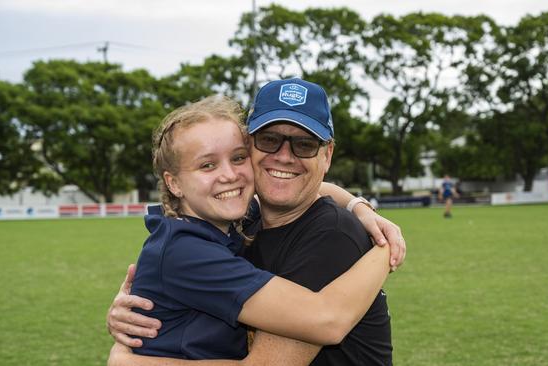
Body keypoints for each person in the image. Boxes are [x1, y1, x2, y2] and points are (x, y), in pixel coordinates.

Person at [107, 84, 406, 365]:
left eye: (304, 144)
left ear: (327, 156)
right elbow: (326, 319)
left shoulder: (329, 234)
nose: (284, 157)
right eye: (269, 140)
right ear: (252, 147)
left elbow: (326, 320)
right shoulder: (235, 225)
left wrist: (365, 217)